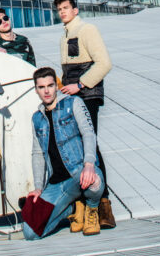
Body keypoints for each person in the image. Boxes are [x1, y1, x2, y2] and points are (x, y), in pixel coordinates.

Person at [54, 0, 116, 230]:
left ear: (75, 10)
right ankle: (83, 204)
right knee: (79, 148)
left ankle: (103, 204)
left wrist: (80, 85)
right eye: (59, 9)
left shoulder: (87, 30)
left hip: (87, 96)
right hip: (74, 96)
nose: (62, 12)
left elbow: (104, 63)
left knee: (91, 147)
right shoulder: (65, 36)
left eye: (66, 8)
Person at [22, 66, 104, 239]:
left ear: (56, 86)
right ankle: (73, 208)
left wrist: (89, 165)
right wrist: (38, 188)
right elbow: (37, 154)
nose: (46, 91)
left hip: (78, 173)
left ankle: (91, 206)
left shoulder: (73, 103)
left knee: (95, 182)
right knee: (31, 233)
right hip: (56, 184)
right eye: (41, 87)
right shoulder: (36, 118)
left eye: (50, 85)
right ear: (36, 89)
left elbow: (88, 133)